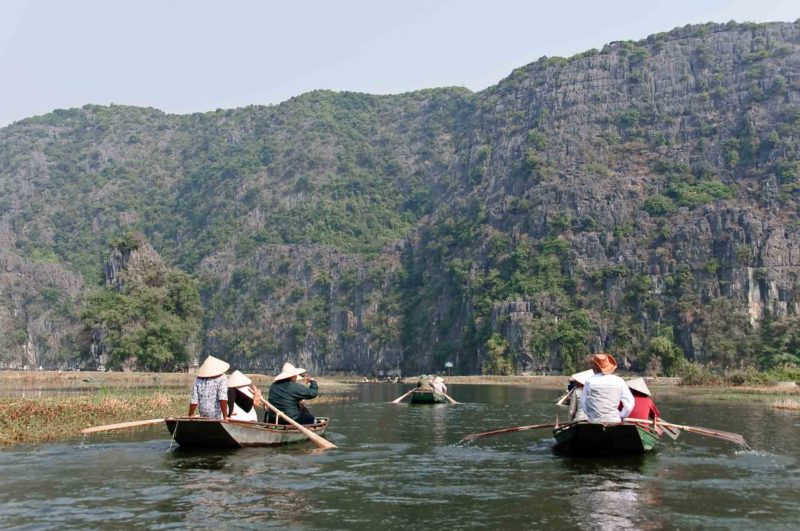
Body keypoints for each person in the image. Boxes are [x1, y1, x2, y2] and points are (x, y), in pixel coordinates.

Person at [579, 353, 635, 423]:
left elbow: (583, 404)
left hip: (594, 421)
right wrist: (621, 416)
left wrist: (590, 415)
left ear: (595, 367)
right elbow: (629, 404)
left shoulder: (589, 381)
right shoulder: (619, 381)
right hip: (614, 421)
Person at [188, 355, 230, 420]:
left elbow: (194, 399)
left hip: (203, 414)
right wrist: (225, 416)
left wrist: (190, 414)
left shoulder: (198, 379)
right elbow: (223, 398)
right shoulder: (222, 378)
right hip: (216, 415)